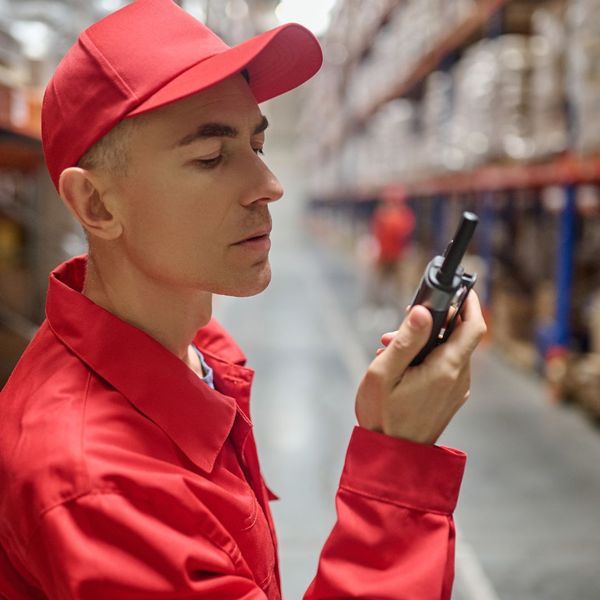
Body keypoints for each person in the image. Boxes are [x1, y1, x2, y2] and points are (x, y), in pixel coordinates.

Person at [0, 1, 487, 598]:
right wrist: (400, 459)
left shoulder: (193, 352)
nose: (270, 186)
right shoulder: (98, 486)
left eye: (256, 145)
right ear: (98, 205)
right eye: (210, 157)